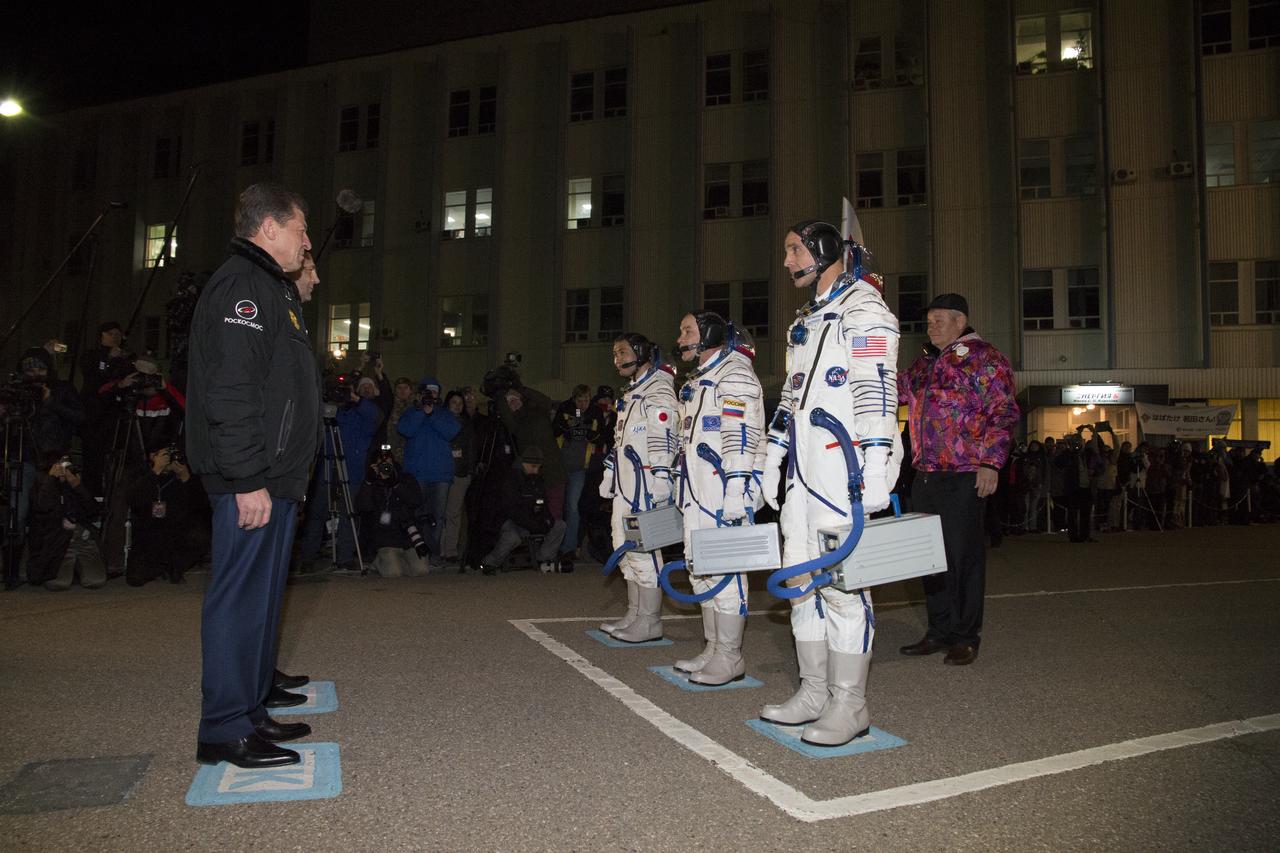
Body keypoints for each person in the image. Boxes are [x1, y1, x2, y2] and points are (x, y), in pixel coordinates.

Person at [186, 182, 321, 768]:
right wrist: (246, 478)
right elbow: (232, 390)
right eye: (300, 230)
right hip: (254, 477)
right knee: (239, 600)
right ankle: (223, 728)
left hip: (273, 476)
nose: (307, 242)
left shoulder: (269, 289)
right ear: (268, 228)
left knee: (262, 599)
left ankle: (248, 712)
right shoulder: (243, 287)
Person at [757, 220, 902, 746]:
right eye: (787, 249)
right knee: (799, 580)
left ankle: (850, 703)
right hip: (805, 471)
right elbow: (792, 397)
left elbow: (877, 390)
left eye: (795, 249)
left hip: (846, 471)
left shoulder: (864, 310)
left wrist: (879, 459)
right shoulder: (810, 320)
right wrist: (772, 455)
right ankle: (814, 691)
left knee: (843, 589)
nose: (789, 259)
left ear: (823, 251)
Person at [897, 293, 1019, 666]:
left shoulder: (986, 359)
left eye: (939, 319)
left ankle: (966, 635)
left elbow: (1003, 412)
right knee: (929, 558)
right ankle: (939, 630)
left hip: (965, 473)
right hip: (926, 474)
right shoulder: (924, 364)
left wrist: (991, 463)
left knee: (963, 558)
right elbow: (894, 391)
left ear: (960, 322)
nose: (931, 325)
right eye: (929, 319)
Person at [671, 310, 765, 685]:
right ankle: (713, 648)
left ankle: (730, 656)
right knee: (701, 569)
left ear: (710, 333)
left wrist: (737, 489)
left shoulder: (735, 375)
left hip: (725, 489)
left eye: (688, 330)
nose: (680, 339)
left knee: (727, 571)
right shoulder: (700, 382)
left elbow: (740, 434)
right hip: (699, 491)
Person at [597, 333, 678, 643]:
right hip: (628, 480)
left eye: (622, 352)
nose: (617, 358)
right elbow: (621, 441)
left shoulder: (658, 390)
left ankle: (649, 620)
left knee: (642, 548)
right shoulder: (633, 393)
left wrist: (661, 477)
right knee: (624, 544)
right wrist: (609, 472)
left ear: (642, 353)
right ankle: (635, 612)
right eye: (614, 353)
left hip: (645, 480)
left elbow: (663, 437)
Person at [298, 377, 380, 572]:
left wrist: (354, 398)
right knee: (317, 513)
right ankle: (308, 557)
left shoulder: (360, 416)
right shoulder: (328, 414)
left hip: (350, 470)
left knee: (348, 514)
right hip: (326, 468)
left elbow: (375, 415)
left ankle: (345, 556)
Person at [125, 445, 209, 586]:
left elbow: (201, 506)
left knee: (199, 536)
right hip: (148, 535)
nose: (170, 459)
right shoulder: (142, 474)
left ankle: (174, 566)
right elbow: (133, 499)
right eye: (166, 454)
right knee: (135, 579)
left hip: (177, 532)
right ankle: (161, 566)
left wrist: (185, 478)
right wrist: (156, 470)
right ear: (153, 456)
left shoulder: (184, 475)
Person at [398, 377, 460, 563]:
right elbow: (405, 430)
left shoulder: (445, 414)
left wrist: (432, 414)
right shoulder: (411, 412)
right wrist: (421, 412)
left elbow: (451, 431)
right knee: (417, 515)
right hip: (417, 473)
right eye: (428, 392)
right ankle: (418, 553)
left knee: (437, 517)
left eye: (434, 392)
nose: (431, 395)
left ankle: (432, 554)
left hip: (440, 474)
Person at [478, 445, 567, 574]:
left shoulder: (536, 478)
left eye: (538, 467)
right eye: (533, 467)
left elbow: (542, 502)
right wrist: (534, 525)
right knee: (512, 537)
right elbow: (512, 510)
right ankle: (490, 562)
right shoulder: (511, 479)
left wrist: (546, 520)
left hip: (530, 520)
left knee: (560, 525)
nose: (536, 471)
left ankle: (543, 558)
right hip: (511, 521)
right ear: (524, 463)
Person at [25, 453, 105, 590]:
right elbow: (41, 506)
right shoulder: (42, 484)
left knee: (96, 581)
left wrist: (77, 485)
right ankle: (69, 567)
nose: (62, 468)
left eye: (66, 465)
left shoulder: (73, 484)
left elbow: (93, 511)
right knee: (58, 583)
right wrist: (50, 479)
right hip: (57, 539)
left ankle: (78, 566)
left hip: (80, 537)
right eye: (59, 464)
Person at [354, 448, 428, 578]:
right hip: (384, 539)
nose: (385, 468)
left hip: (407, 538)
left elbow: (416, 501)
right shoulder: (373, 483)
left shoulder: (406, 479)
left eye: (387, 463)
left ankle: (393, 561)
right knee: (393, 573)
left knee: (421, 571)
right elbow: (362, 507)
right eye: (380, 465)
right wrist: (368, 481)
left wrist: (396, 484)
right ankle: (380, 561)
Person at [554, 384, 594, 568]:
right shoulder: (564, 412)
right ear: (574, 400)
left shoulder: (593, 415)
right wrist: (566, 426)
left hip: (579, 469)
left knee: (572, 506)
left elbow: (600, 437)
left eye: (586, 400)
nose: (583, 404)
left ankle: (569, 547)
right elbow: (554, 431)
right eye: (580, 400)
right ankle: (554, 545)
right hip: (561, 467)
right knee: (558, 507)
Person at [439, 390, 475, 569]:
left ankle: (450, 550)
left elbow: (471, 449)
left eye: (460, 403)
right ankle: (438, 549)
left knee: (453, 513)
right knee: (440, 512)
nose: (458, 406)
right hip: (442, 471)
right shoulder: (440, 420)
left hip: (460, 473)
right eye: (454, 402)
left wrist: (469, 470)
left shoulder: (467, 424)